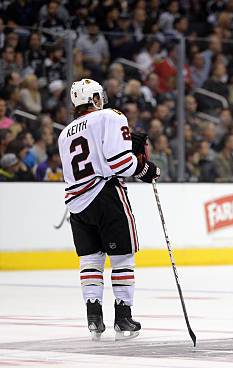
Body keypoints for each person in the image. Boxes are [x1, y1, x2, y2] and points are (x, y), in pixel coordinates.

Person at [58, 78, 160, 341]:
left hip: (77, 205)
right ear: (94, 99)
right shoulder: (110, 116)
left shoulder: (64, 133)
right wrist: (146, 169)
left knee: (90, 260)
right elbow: (120, 163)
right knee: (122, 258)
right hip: (106, 196)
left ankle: (94, 318)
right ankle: (123, 317)